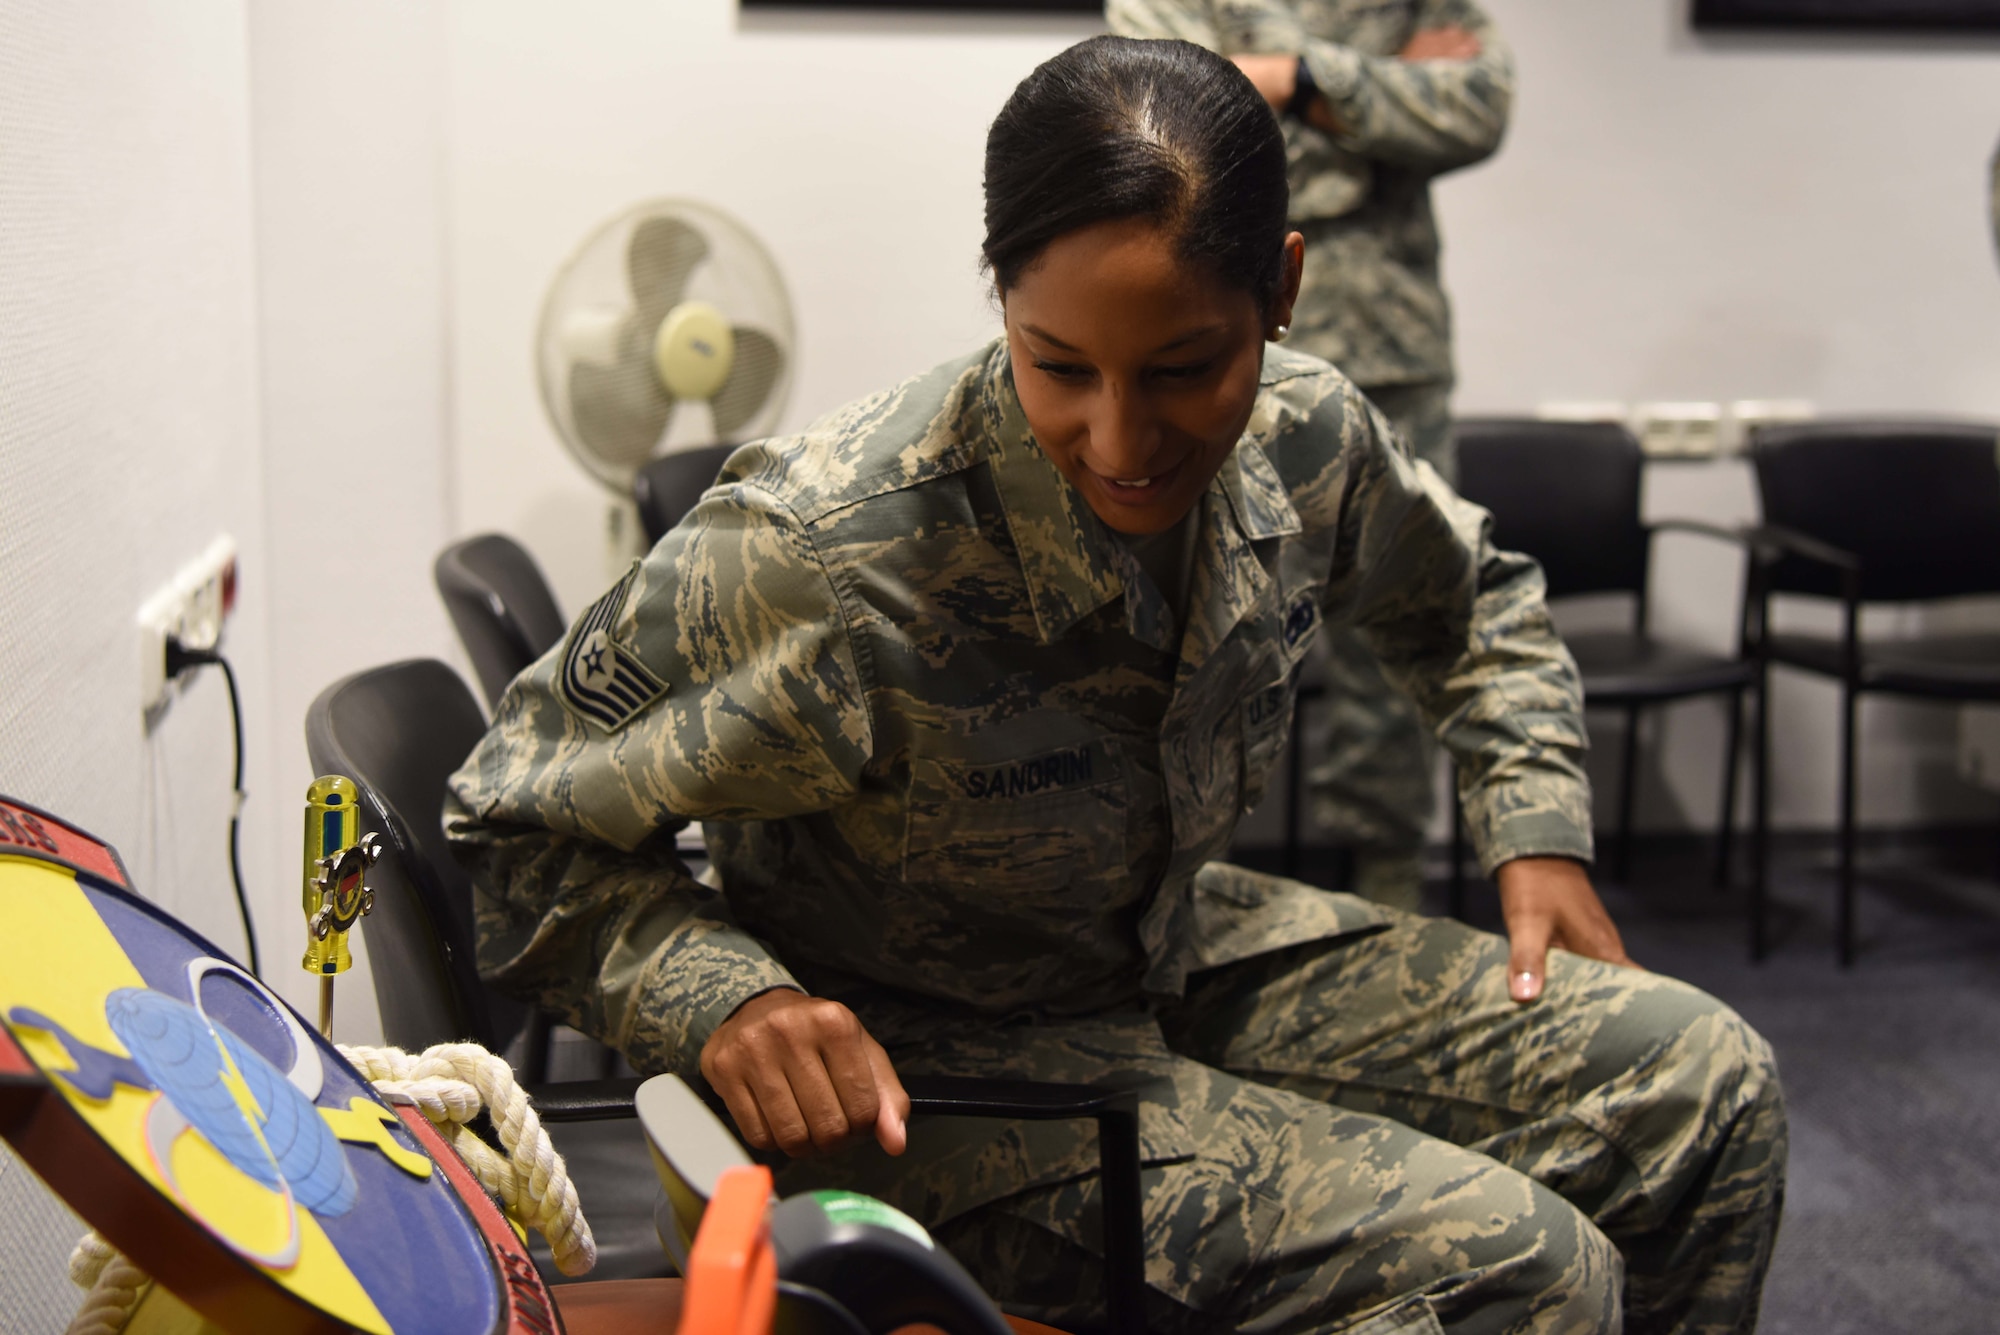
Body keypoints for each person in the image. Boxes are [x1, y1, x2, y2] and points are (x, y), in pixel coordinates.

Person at [447, 37, 1785, 1335]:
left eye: (1186, 368)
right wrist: (725, 996)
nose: (1123, 440)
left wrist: (1534, 824)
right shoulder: (827, 548)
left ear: (1285, 288)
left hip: (1164, 950)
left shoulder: (1307, 432)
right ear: (1000, 298)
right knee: (1528, 1270)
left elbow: (1473, 596)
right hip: (925, 1081)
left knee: (1705, 1085)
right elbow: (511, 826)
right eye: (1059, 366)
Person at [1108, 0, 1514, 909]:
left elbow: (1478, 105)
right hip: (1213, 349)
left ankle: (1388, 876)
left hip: (1391, 354)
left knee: (1404, 622)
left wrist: (1295, 79)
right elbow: (1159, 124)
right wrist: (1379, 99)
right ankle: (1169, 886)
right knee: (1189, 617)